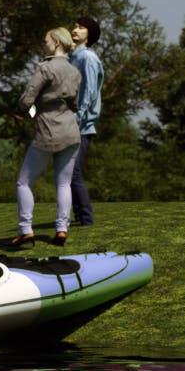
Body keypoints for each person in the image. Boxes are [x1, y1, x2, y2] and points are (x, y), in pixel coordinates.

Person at [11, 27, 83, 248]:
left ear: (56, 42)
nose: (43, 45)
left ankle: (26, 230)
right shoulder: (74, 72)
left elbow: (26, 102)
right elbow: (74, 105)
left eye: (45, 41)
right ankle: (61, 230)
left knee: (24, 182)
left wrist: (26, 113)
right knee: (63, 184)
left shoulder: (45, 68)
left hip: (47, 132)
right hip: (71, 131)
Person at [69, 15, 104, 227]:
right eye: (74, 26)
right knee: (67, 174)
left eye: (81, 27)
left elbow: (89, 93)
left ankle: (86, 220)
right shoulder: (71, 58)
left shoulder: (88, 58)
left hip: (81, 126)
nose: (75, 29)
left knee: (73, 173)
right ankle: (79, 217)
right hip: (69, 123)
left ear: (89, 34)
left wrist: (76, 119)